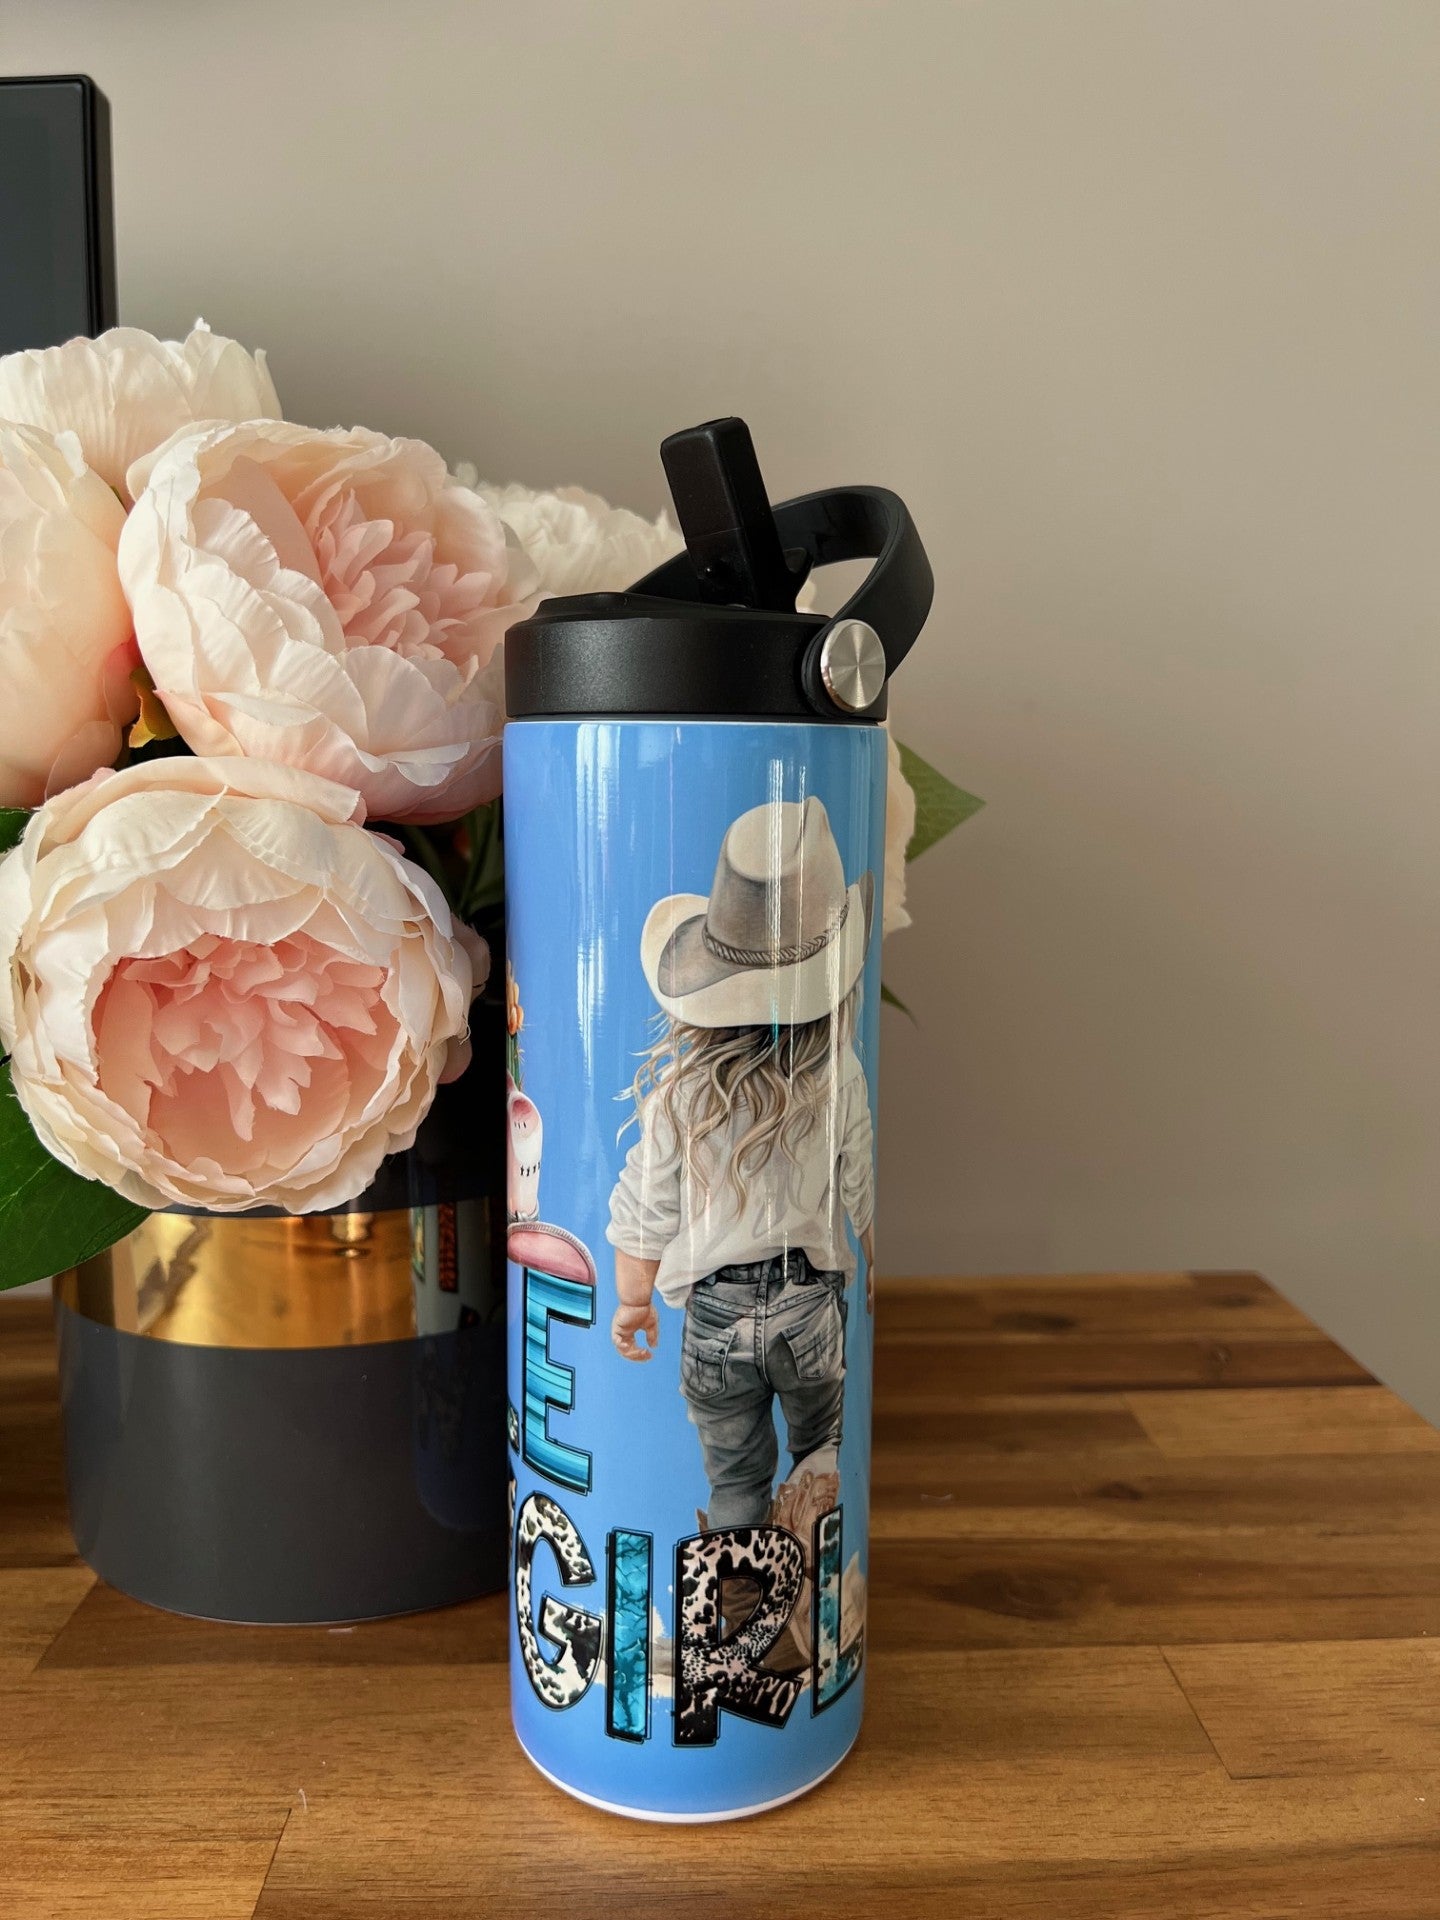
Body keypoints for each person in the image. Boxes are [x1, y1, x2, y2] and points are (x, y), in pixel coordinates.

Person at [607, 796, 876, 1545]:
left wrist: (633, 1301)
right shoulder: (838, 1076)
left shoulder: (680, 1093)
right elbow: (861, 1187)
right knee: (820, 1451)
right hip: (808, 1304)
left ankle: (736, 1598)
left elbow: (645, 1208)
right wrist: (872, 1263)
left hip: (714, 1319)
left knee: (733, 1484)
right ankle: (814, 1577)